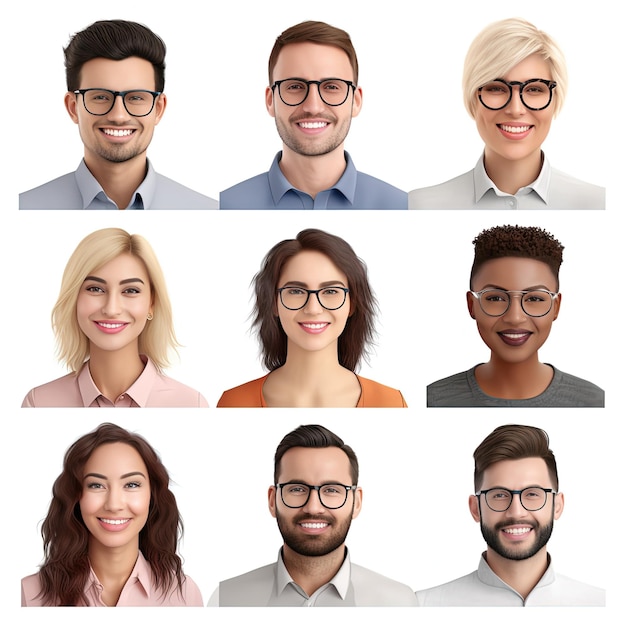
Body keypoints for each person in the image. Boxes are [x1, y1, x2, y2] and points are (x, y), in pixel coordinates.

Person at [19, 20, 216, 209]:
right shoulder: (23, 208)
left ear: (158, 109)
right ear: (73, 108)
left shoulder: (209, 211)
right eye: (101, 97)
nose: (118, 116)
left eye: (136, 98)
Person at [409, 18, 604, 209]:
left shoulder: (600, 204)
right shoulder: (419, 206)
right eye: (496, 88)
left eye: (534, 89)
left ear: (555, 98)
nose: (516, 109)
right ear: (473, 98)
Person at [211, 424, 417, 606]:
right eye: (297, 489)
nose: (313, 507)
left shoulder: (398, 602)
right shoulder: (225, 599)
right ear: (273, 501)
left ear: (357, 502)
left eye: (332, 489)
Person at [219, 21, 407, 209]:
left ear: (356, 101)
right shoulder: (226, 206)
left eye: (332, 87)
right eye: (295, 86)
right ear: (270, 100)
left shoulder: (401, 206)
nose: (313, 106)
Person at [416, 424, 605, 606]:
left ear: (557, 505)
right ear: (475, 509)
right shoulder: (421, 607)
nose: (516, 512)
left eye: (532, 494)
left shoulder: (603, 605)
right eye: (499, 495)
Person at [217, 228, 406, 407]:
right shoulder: (233, 402)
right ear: (274, 302)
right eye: (296, 291)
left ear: (352, 304)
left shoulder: (390, 402)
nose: (313, 308)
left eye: (331, 291)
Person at [21, 422, 203, 606]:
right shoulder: (28, 595)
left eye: (132, 485)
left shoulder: (185, 596)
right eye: (96, 485)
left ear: (152, 496)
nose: (114, 504)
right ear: (76, 497)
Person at [22, 228, 208, 407]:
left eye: (130, 290)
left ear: (151, 303)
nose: (111, 309)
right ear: (74, 299)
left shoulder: (191, 403)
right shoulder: (39, 402)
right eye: (95, 289)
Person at [427, 224, 604, 406]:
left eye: (534, 299)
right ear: (472, 305)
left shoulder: (595, 401)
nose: (515, 317)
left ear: (556, 307)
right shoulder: (432, 400)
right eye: (496, 298)